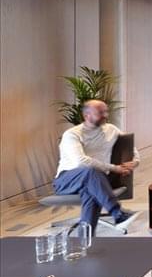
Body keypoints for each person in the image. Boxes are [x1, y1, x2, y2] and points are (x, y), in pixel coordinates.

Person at [54, 99, 140, 232]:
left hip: (95, 179)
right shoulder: (72, 134)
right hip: (67, 180)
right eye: (100, 113)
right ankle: (117, 212)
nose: (105, 115)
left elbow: (129, 144)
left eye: (106, 111)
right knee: (90, 172)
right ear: (87, 115)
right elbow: (80, 162)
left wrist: (135, 161)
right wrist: (113, 168)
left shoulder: (111, 129)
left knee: (92, 191)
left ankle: (86, 238)